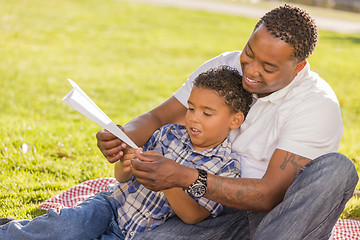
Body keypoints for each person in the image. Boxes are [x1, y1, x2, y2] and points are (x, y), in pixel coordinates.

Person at [96, 4, 358, 240]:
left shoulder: (316, 104)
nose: (251, 70)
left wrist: (185, 176)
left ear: (298, 68)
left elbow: (268, 195)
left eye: (268, 67)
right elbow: (158, 117)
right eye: (249, 52)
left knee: (338, 168)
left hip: (274, 218)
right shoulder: (226, 66)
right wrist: (124, 135)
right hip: (207, 207)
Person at [0, 66, 253, 240]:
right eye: (190, 108)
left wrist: (168, 181)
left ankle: (25, 230)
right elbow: (120, 178)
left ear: (235, 120)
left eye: (207, 113)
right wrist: (126, 162)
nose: (194, 118)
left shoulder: (226, 167)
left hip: (137, 231)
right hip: (110, 205)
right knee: (67, 226)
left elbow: (194, 216)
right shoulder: (169, 133)